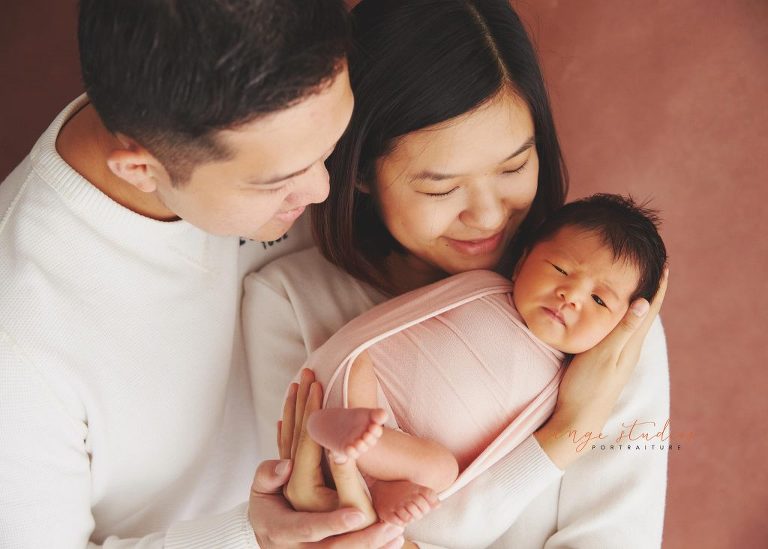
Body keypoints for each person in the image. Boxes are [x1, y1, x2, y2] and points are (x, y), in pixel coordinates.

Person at [243, 0, 670, 547]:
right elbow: (330, 524)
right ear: (359, 172)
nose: (488, 216)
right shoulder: (289, 302)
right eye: (441, 188)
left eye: (515, 166)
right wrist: (567, 432)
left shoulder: (599, 316)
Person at [0, 1, 404, 547]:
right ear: (140, 169)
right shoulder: (18, 338)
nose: (322, 190)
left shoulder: (279, 119)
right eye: (276, 181)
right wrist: (253, 538)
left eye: (329, 147)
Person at [300, 194, 668, 526]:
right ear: (522, 261)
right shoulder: (481, 288)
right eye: (561, 269)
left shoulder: (564, 386)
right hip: (364, 390)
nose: (570, 295)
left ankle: (374, 475)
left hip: (398, 458)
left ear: (621, 327)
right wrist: (349, 353)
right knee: (359, 362)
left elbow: (487, 464)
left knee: (441, 470)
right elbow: (391, 322)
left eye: (599, 300)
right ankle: (347, 429)